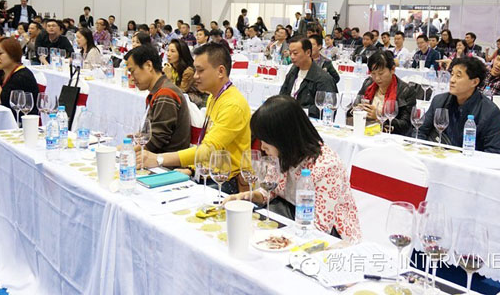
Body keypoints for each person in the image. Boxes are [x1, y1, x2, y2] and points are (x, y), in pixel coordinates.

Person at [224, 95, 362, 242]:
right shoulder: (282, 154)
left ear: (284, 137)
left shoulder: (327, 167)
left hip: (330, 236)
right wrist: (248, 196)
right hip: (291, 218)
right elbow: (269, 191)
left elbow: (320, 228)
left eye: (266, 141)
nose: (262, 147)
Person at [138, 43, 251, 194]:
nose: (195, 76)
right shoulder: (214, 97)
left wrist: (159, 159)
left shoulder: (233, 105)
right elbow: (206, 145)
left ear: (220, 71)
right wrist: (191, 169)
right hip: (207, 172)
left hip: (227, 180)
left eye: (200, 70)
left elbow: (208, 150)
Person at [418, 57, 500, 154]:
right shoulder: (439, 101)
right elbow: (420, 131)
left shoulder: (490, 111)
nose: (452, 80)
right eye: (452, 74)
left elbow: (494, 151)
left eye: (458, 76)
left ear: (474, 82)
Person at [124, 45, 191, 154]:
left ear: (148, 65)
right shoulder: (160, 89)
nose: (131, 78)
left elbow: (155, 141)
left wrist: (124, 152)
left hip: (164, 161)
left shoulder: (166, 94)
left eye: (132, 71)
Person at [356, 51, 417, 135]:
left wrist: (379, 117)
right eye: (373, 74)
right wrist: (357, 110)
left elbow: (406, 126)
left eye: (381, 73)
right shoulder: (368, 84)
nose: (377, 78)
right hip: (366, 131)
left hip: (390, 135)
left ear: (392, 69)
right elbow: (351, 110)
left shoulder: (406, 90)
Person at [280, 36, 338, 119]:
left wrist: (296, 110)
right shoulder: (293, 71)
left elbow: (326, 109)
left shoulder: (323, 79)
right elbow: (282, 95)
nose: (292, 57)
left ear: (308, 52)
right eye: (290, 53)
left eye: (295, 53)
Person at [0, 37, 39, 117]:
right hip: (2, 117)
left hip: (20, 119)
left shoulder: (22, 76)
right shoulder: (2, 72)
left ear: (13, 54)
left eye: (0, 53)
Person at [163, 39, 206, 107]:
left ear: (181, 54)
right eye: (168, 50)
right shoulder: (171, 67)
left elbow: (180, 92)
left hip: (194, 99)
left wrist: (169, 77)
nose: (168, 54)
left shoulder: (188, 71)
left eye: (172, 51)